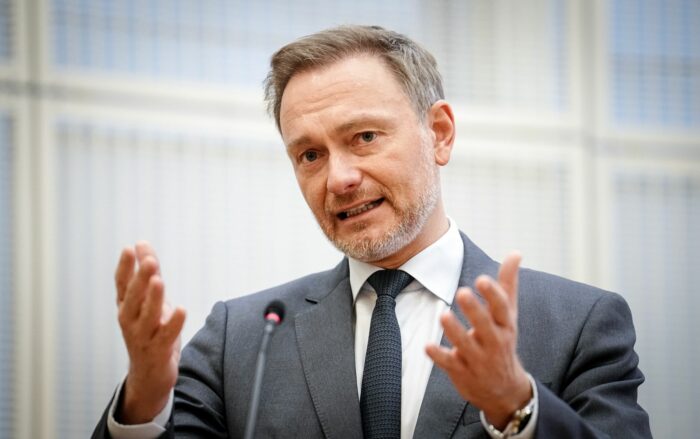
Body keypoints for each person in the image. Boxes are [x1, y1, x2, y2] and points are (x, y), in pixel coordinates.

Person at [93, 25, 651, 438]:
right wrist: (144, 397)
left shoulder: (577, 324)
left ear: (439, 133)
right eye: (310, 155)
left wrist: (516, 407)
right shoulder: (240, 340)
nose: (339, 179)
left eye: (364, 137)